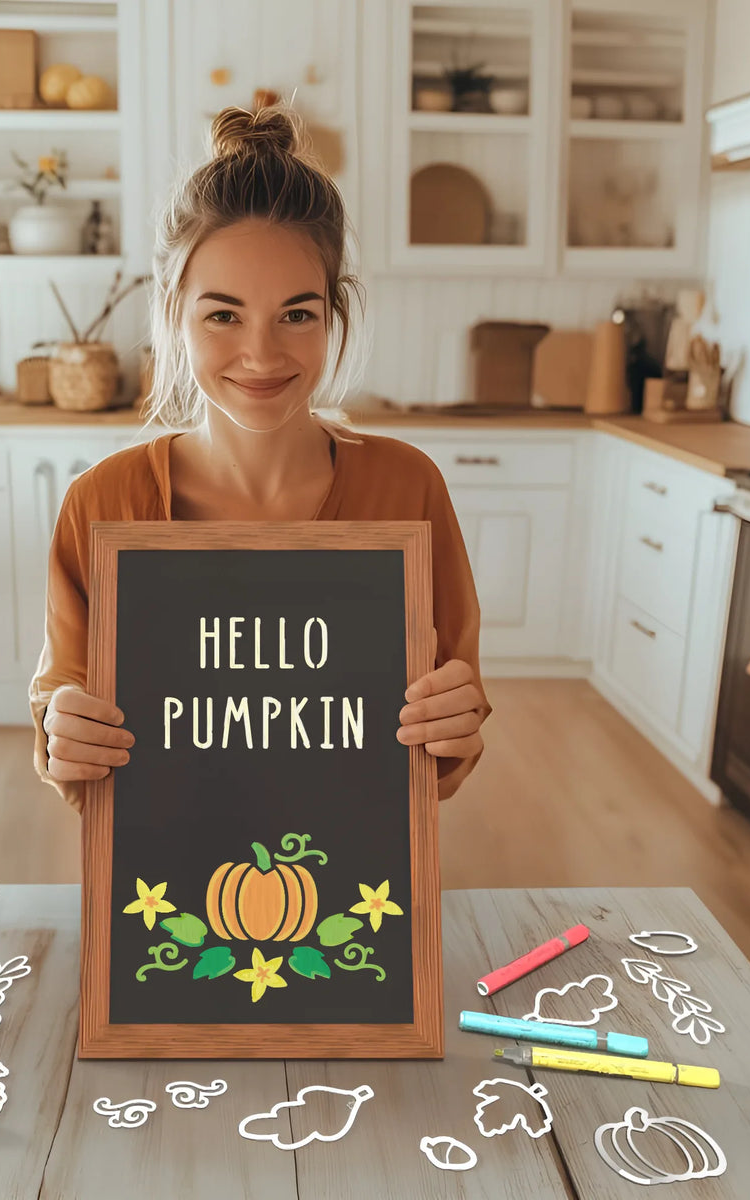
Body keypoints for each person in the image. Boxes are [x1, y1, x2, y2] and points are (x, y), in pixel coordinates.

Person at [30, 104, 489, 812]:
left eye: (297, 315)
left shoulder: (408, 489)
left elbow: (448, 744)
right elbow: (62, 720)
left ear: (333, 316)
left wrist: (454, 729)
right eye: (223, 315)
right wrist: (64, 734)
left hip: (350, 896)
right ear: (175, 316)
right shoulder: (102, 505)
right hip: (167, 896)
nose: (262, 354)